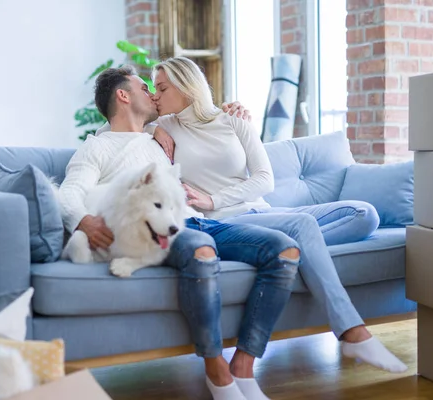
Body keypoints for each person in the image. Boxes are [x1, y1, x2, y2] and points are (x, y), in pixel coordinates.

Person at [136, 56, 406, 375]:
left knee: (364, 214)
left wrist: (214, 196)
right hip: (227, 224)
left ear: (186, 86)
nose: (155, 95)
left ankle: (298, 250)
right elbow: (113, 124)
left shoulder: (233, 120)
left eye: (162, 88)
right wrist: (151, 127)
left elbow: (264, 179)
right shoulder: (165, 127)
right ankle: (352, 331)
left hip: (264, 212)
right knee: (302, 224)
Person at [59, 65, 301, 400]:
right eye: (145, 88)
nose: (153, 94)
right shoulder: (96, 148)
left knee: (284, 249)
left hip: (196, 219)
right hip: (164, 232)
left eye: (158, 89)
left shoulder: (159, 137)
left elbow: (193, 121)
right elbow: (68, 192)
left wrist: (166, 129)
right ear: (123, 96)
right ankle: (216, 373)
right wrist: (84, 221)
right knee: (202, 251)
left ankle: (243, 365)